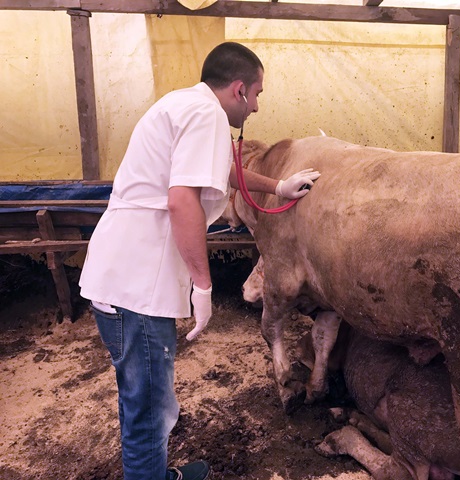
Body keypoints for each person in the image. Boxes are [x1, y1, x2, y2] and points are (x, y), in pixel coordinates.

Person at [79, 42, 320, 480]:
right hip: (137, 284)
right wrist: (203, 285)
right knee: (148, 405)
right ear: (239, 89)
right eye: (257, 94)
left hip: (123, 274)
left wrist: (278, 186)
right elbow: (182, 201)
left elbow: (223, 168)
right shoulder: (206, 115)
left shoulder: (187, 104)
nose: (257, 107)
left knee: (146, 396)